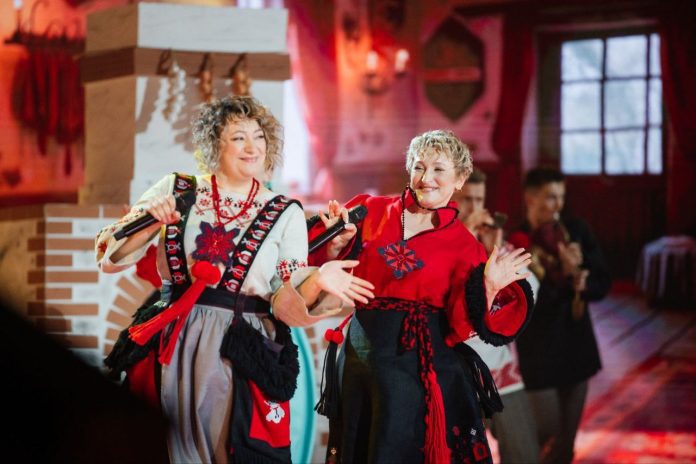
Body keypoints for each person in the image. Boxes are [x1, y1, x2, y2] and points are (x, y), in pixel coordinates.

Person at [95, 95, 374, 464]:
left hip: (241, 343)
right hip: (173, 336)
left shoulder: (284, 211)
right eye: (239, 137)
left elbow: (287, 293)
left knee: (234, 447)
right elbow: (111, 255)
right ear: (215, 144)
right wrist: (150, 222)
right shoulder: (177, 188)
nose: (252, 147)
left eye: (259, 137)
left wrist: (320, 278)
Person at [309, 130, 534, 464]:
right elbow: (318, 262)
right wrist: (335, 247)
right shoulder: (370, 211)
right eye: (418, 167)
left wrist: (488, 287)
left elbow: (459, 328)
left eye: (439, 169)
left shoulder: (466, 247)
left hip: (422, 368)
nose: (426, 178)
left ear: (460, 179)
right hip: (362, 359)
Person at [509, 167, 611, 464]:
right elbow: (523, 302)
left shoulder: (576, 231)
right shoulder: (517, 241)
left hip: (576, 346)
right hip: (539, 351)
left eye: (561, 197)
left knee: (566, 445)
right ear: (530, 198)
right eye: (550, 197)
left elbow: (603, 280)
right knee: (546, 431)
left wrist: (582, 281)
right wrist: (563, 276)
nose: (558, 205)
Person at [452, 169, 541, 464]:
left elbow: (530, 293)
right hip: (455, 373)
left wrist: (494, 251)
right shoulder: (438, 246)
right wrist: (463, 237)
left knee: (524, 454)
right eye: (467, 200)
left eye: (479, 200)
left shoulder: (497, 244)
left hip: (501, 372)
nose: (475, 208)